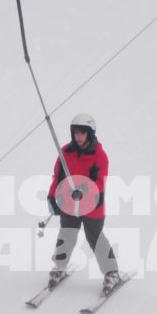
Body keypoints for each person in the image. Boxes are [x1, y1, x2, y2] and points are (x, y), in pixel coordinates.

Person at [46, 112, 121, 295]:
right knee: (67, 233)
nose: (78, 136)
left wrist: (84, 189)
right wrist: (51, 196)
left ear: (90, 133)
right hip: (71, 203)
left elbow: (99, 181)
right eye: (76, 132)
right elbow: (58, 177)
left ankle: (111, 273)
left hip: (93, 204)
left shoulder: (99, 155)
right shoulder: (65, 152)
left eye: (82, 132)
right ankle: (60, 266)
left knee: (94, 237)